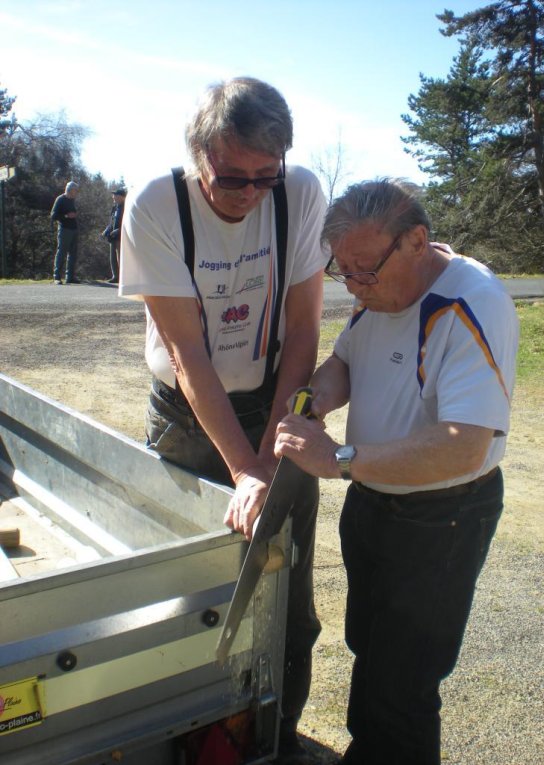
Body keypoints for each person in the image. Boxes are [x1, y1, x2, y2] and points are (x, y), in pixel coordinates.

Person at [275, 179, 520, 765]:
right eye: (344, 274)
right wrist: (318, 400)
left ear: (417, 240)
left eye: (365, 271)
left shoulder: (469, 303)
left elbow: (463, 447)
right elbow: (344, 360)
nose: (356, 288)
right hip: (373, 503)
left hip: (442, 517)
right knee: (368, 646)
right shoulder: (380, 289)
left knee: (403, 684)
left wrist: (337, 460)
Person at [119, 77, 328, 764]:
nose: (248, 195)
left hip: (273, 397)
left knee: (284, 591)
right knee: (188, 592)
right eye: (231, 179)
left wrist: (273, 457)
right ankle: (187, 741)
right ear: (198, 157)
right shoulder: (157, 204)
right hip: (187, 409)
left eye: (264, 178)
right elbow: (186, 352)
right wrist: (244, 467)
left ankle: (273, 738)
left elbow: (301, 334)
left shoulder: (298, 196)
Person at [51, 180, 80, 284]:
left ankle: (70, 277)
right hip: (64, 229)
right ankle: (57, 277)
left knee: (73, 253)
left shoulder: (72, 200)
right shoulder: (60, 199)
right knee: (61, 252)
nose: (76, 192)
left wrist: (74, 214)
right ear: (70, 190)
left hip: (74, 229)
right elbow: (53, 215)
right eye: (75, 190)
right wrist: (66, 216)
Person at [102, 187, 127, 283]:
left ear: (122, 197)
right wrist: (107, 230)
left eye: (116, 195)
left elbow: (127, 223)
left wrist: (119, 230)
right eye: (113, 195)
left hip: (121, 236)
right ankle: (115, 276)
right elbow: (111, 220)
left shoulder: (126, 207)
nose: (114, 197)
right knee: (112, 257)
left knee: (120, 257)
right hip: (112, 236)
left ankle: (123, 277)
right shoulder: (115, 207)